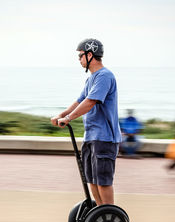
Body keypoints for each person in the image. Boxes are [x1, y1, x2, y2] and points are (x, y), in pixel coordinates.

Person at [51, 38, 122, 205]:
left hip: (104, 138)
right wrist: (61, 114)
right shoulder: (91, 79)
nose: (79, 59)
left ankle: (108, 215)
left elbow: (90, 102)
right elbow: (79, 101)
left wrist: (68, 119)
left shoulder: (105, 76)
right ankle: (99, 214)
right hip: (91, 136)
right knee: (91, 179)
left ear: (90, 55)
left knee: (103, 181)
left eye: (80, 56)